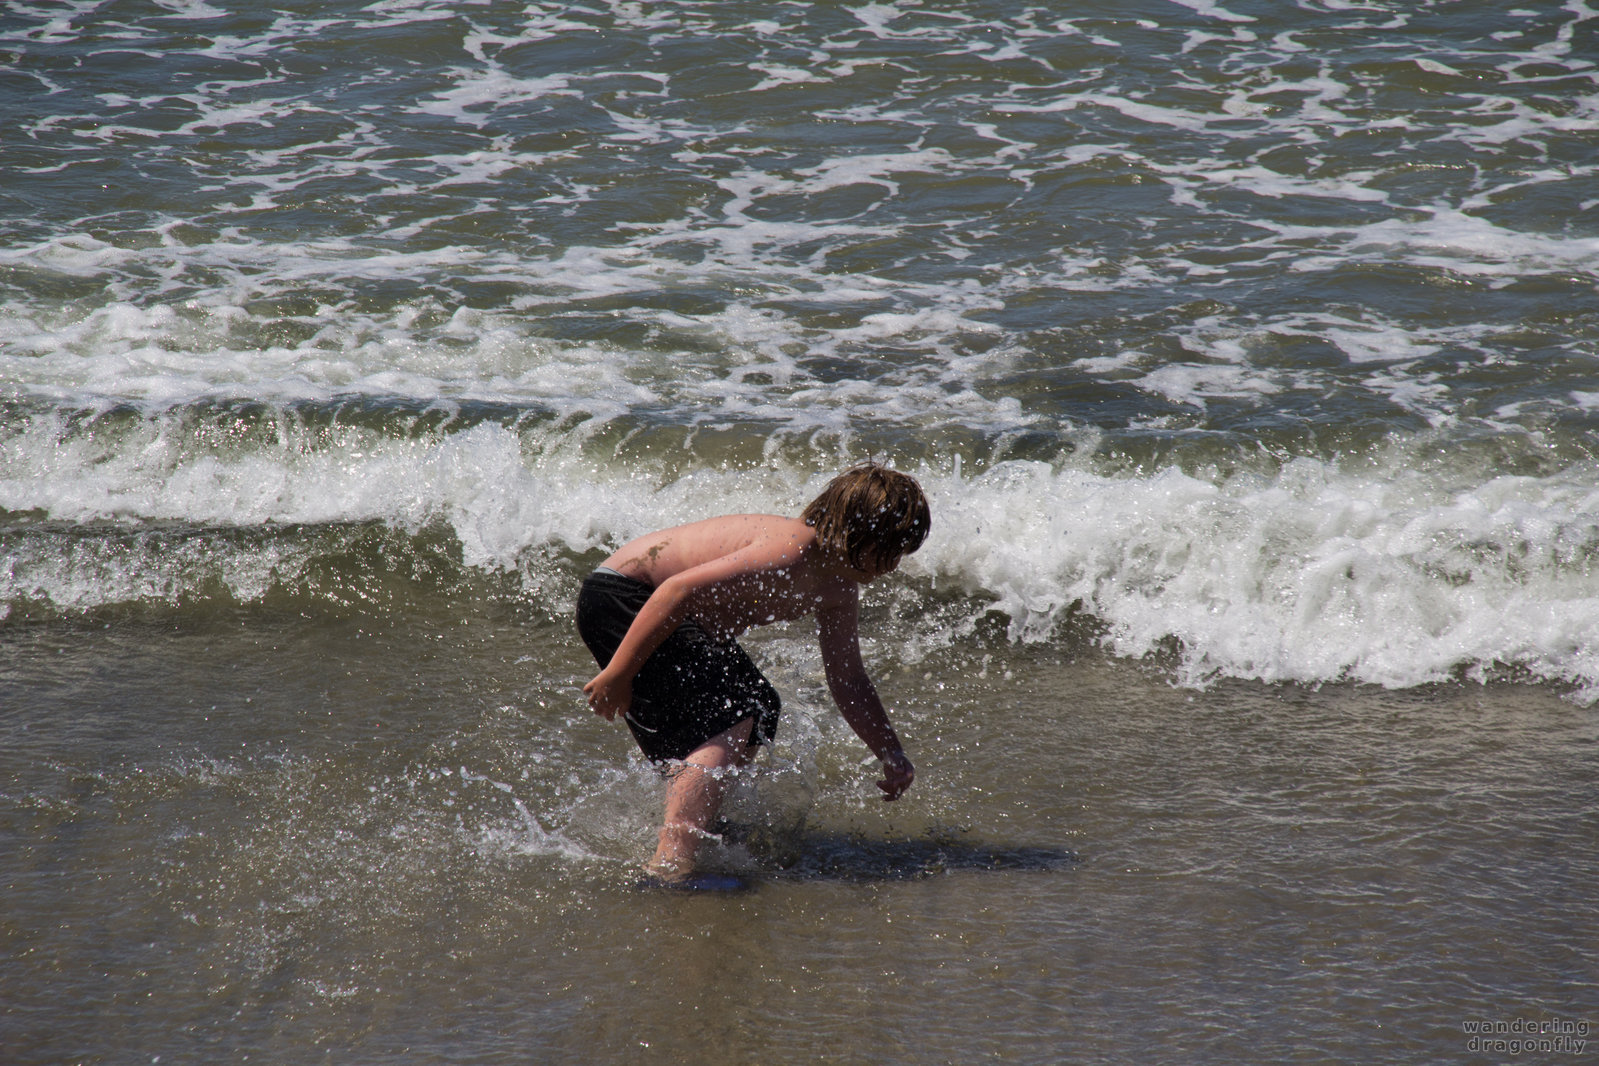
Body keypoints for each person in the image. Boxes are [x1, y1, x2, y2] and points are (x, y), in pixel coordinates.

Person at [576, 462, 931, 886]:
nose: (891, 566)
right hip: (627, 597)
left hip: (670, 617)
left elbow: (848, 679)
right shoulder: (792, 548)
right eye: (888, 550)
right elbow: (677, 590)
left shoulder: (838, 589)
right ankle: (670, 863)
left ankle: (701, 819)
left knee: (761, 707)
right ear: (855, 530)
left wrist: (889, 750)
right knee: (734, 711)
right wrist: (620, 674)